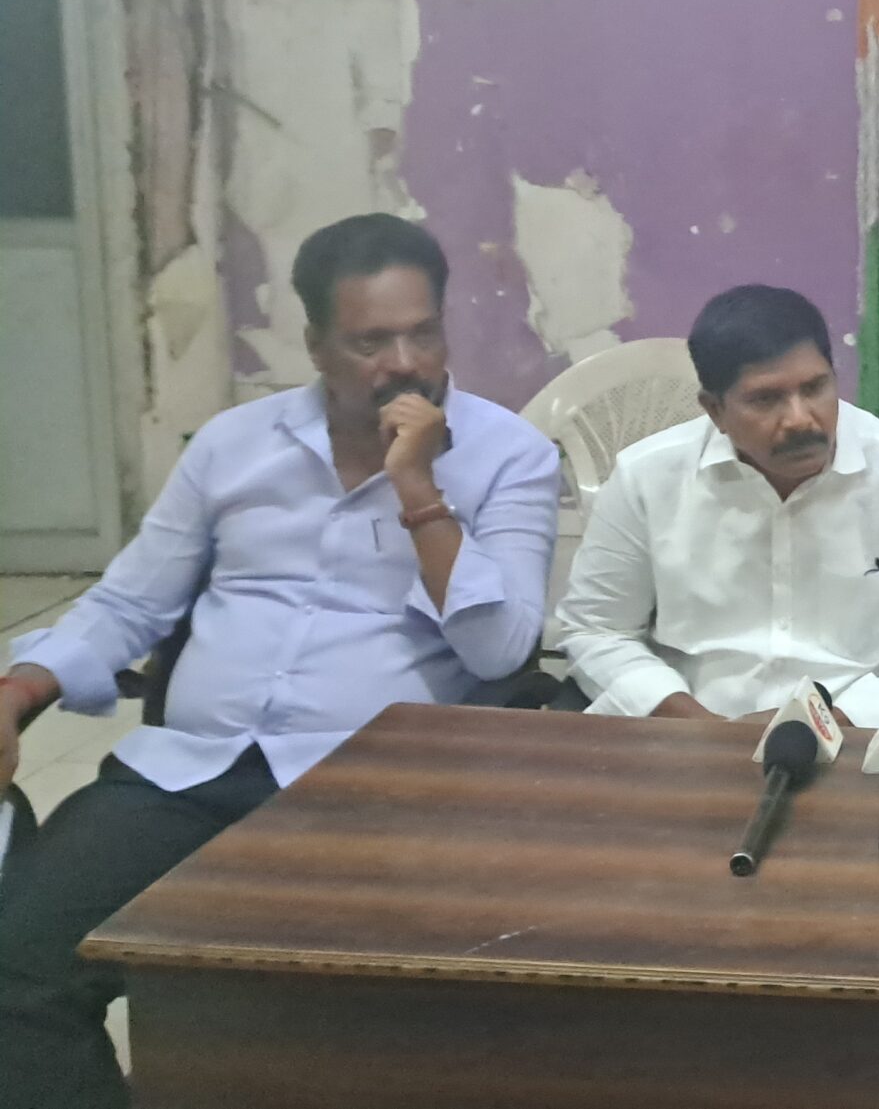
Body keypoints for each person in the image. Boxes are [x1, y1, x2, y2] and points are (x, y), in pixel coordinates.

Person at [0, 214, 560, 1109]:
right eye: (371, 342)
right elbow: (130, 603)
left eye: (423, 332)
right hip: (189, 770)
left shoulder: (508, 457)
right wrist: (18, 688)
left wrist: (419, 488)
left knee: (355, 1020)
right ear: (316, 345)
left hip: (372, 793)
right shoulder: (234, 444)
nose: (404, 363)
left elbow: (500, 650)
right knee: (18, 969)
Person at [555, 285, 879, 725]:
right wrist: (696, 725)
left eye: (815, 388)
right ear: (714, 410)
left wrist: (833, 725)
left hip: (860, 739)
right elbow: (598, 629)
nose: (799, 418)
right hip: (685, 732)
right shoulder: (646, 478)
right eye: (766, 399)